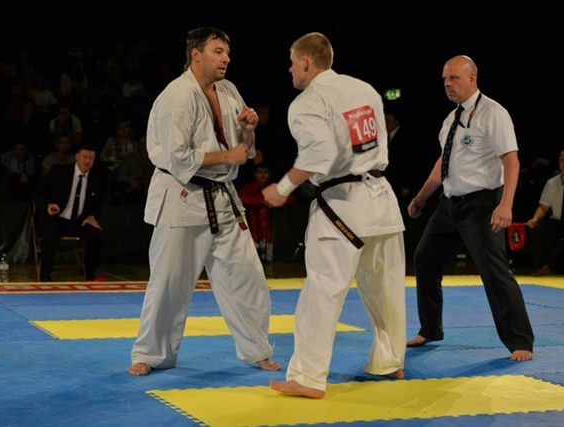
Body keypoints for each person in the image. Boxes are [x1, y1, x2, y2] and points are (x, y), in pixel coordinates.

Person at [128, 27, 280, 377]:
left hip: (223, 197)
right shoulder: (176, 97)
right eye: (218, 51)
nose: (226, 58)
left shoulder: (228, 90)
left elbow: (244, 149)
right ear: (196, 55)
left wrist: (248, 130)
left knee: (248, 277)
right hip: (182, 197)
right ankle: (149, 353)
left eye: (227, 52)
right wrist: (230, 154)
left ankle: (257, 349)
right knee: (169, 281)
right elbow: (177, 157)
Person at [263, 32, 407, 399]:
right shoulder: (365, 89)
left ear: (306, 62)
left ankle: (308, 376)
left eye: (292, 62)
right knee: (386, 288)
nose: (290, 70)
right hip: (382, 197)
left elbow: (319, 155)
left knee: (322, 291)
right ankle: (390, 361)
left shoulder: (308, 101)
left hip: (343, 203)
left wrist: (282, 188)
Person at [405, 55, 534, 362]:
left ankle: (520, 340)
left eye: (454, 78)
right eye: (444, 79)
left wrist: (506, 204)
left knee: (494, 272)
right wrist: (422, 197)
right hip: (449, 205)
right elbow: (444, 162)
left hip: (483, 205)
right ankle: (430, 328)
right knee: (424, 259)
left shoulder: (493, 113)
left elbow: (511, 160)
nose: (447, 84)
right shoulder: (450, 120)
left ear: (472, 78)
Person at [33, 143, 105, 282]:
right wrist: (48, 205)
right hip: (57, 218)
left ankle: (90, 275)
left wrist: (92, 217)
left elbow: (99, 203)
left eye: (91, 158)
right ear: (77, 157)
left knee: (96, 236)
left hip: (79, 220)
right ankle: (45, 273)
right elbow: (37, 194)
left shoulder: (97, 178)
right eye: (85, 157)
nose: (87, 161)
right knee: (50, 236)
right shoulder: (59, 172)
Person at [525, 149, 564, 275]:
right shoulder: (552, 183)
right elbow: (543, 207)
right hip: (557, 222)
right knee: (536, 229)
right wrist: (535, 219)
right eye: (562, 160)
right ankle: (543, 266)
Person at [238, 162, 295, 262]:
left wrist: (276, 200)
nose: (263, 175)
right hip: (252, 229)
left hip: (269, 232)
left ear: (270, 174)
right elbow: (241, 197)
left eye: (265, 172)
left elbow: (291, 198)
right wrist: (263, 201)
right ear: (255, 175)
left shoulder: (275, 187)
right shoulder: (249, 188)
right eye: (260, 172)